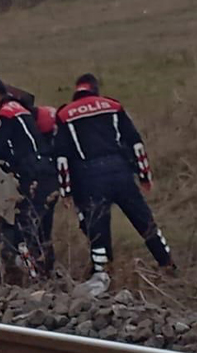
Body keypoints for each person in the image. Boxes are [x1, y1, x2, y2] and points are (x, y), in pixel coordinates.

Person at [54, 74, 175, 293]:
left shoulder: (65, 114)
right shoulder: (112, 106)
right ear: (95, 89)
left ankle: (103, 275)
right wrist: (145, 176)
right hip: (120, 172)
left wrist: (66, 191)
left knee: (98, 228)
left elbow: (61, 158)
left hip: (89, 177)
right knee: (144, 220)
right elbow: (136, 144)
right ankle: (167, 264)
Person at [0, 78, 59, 276]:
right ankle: (47, 273)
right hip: (49, 173)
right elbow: (9, 149)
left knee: (23, 227)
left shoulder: (2, 115)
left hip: (33, 174)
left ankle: (34, 274)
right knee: (43, 230)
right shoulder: (20, 110)